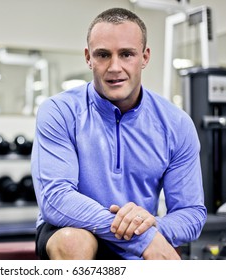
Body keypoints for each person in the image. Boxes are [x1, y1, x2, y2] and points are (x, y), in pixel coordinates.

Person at [30, 7, 207, 260]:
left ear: (144, 57)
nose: (115, 67)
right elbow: (56, 198)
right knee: (74, 242)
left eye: (126, 54)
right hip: (72, 227)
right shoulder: (59, 111)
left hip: (139, 231)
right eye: (103, 55)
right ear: (88, 57)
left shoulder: (176, 124)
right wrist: (143, 238)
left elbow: (191, 213)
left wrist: (155, 227)